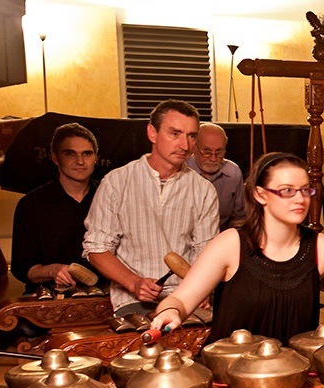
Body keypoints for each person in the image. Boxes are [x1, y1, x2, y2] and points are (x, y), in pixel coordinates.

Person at [150, 152, 324, 345]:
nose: (300, 199)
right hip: (228, 377)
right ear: (260, 194)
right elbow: (181, 300)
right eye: (287, 191)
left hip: (292, 377)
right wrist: (170, 311)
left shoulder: (321, 247)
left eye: (305, 190)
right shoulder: (231, 244)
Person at [83, 99, 218, 317]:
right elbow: (96, 249)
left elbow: (205, 253)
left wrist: (202, 290)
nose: (185, 145)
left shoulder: (204, 190)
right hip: (133, 302)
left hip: (186, 299)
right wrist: (134, 282)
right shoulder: (117, 182)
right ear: (152, 133)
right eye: (175, 133)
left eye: (191, 136)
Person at [11, 123, 100, 294]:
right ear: (55, 157)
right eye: (69, 153)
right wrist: (53, 270)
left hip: (105, 295)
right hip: (48, 296)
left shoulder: (111, 198)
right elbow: (22, 268)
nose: (80, 161)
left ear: (96, 157)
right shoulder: (30, 204)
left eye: (87, 154)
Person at [187, 122, 245, 230]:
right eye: (207, 152)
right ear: (194, 148)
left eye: (219, 152)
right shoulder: (180, 171)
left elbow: (239, 218)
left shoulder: (233, 173)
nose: (213, 158)